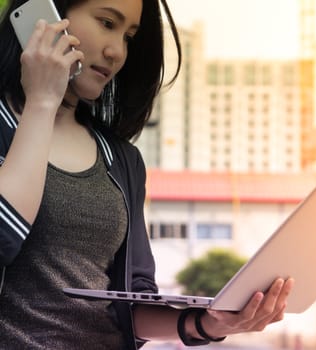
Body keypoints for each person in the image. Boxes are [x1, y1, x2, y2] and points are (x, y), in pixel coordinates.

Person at [0, 0, 294, 348]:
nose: (117, 52)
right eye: (107, 22)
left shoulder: (123, 161)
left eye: (129, 36)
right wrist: (42, 103)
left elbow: (131, 306)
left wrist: (208, 324)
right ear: (44, 12)